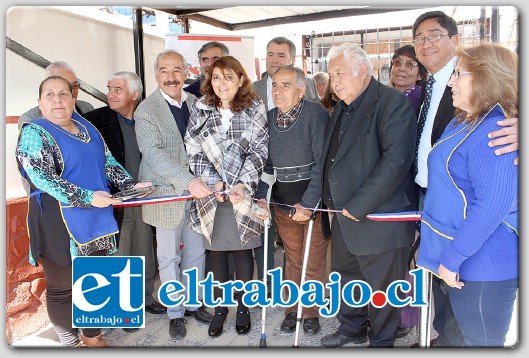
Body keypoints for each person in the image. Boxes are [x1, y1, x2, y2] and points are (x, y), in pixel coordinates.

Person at [15, 76, 151, 347]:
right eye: (50, 94)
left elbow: (108, 163)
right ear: (40, 102)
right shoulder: (34, 132)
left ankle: (91, 336)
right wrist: (88, 198)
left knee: (95, 278)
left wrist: (130, 185)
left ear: (73, 98)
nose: (57, 100)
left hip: (96, 212)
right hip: (57, 217)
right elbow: (42, 177)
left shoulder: (87, 127)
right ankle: (69, 342)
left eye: (63, 94)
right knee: (62, 286)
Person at [410, 10, 519, 347]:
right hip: (466, 253)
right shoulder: (466, 120)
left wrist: (453, 257)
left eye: (459, 74)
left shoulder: (496, 130)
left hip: (484, 264)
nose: (452, 81)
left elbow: (494, 204)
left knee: (481, 342)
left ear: (485, 79)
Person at [319, 43, 417, 348]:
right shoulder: (342, 107)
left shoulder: (391, 103)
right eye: (331, 74)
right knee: (348, 279)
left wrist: (358, 205)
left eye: (339, 73)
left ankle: (382, 340)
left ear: (362, 71)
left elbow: (396, 161)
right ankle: (352, 328)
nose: (334, 81)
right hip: (344, 220)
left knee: (382, 286)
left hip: (378, 218)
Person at [184, 55, 268, 338]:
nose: (221, 83)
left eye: (228, 77)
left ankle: (243, 308)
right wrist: (213, 181)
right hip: (212, 192)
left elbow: (259, 150)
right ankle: (220, 310)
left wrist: (243, 184)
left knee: (244, 250)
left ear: (241, 79)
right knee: (216, 254)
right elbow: (192, 147)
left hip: (242, 192)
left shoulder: (256, 108)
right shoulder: (200, 107)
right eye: (216, 77)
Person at [134, 50, 213, 340]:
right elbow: (152, 154)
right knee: (168, 258)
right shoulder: (146, 109)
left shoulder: (196, 102)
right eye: (165, 70)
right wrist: (188, 181)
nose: (171, 76)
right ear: (156, 75)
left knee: (196, 252)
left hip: (197, 193)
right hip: (167, 194)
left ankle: (193, 304)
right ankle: (175, 312)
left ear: (185, 73)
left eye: (177, 70)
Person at [84, 71, 166, 327]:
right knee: (120, 252)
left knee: (145, 250)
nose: (110, 94)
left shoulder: (146, 117)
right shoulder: (96, 120)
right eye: (109, 88)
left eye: (118, 89)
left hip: (143, 197)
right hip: (115, 201)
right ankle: (123, 308)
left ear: (134, 94)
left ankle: (146, 297)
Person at [254, 65, 329, 334]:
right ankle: (292, 309)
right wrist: (261, 197)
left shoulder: (314, 113)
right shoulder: (269, 117)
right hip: (284, 204)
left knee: (313, 259)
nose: (278, 90)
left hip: (312, 203)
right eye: (275, 85)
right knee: (294, 258)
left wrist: (309, 203)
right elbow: (267, 165)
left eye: (286, 85)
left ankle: (310, 313)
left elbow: (323, 163)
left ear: (301, 88)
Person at [18, 61, 94, 126]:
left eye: (74, 85)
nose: (72, 91)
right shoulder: (30, 120)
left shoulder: (87, 108)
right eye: (65, 87)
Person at [253, 37, 319, 111]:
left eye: (281, 56)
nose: (274, 60)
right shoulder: (251, 89)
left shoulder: (309, 84)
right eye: (270, 55)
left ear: (293, 60)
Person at [388, 45, 427, 115]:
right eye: (398, 62)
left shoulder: (423, 101)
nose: (401, 68)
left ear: (420, 75)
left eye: (410, 64)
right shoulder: (381, 97)